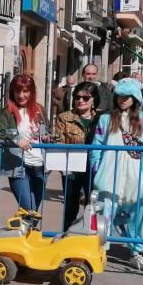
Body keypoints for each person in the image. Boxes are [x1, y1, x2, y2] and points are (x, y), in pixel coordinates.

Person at [91, 78, 143, 272]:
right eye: (120, 95)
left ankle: (136, 250)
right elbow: (97, 145)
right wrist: (97, 167)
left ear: (135, 97)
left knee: (138, 210)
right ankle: (101, 248)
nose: (123, 99)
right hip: (109, 171)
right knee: (105, 209)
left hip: (135, 172)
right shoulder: (105, 119)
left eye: (127, 96)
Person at [0, 74, 49, 212]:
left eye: (25, 91)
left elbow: (46, 129)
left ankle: (26, 233)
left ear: (32, 92)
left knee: (34, 211)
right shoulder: (8, 112)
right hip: (18, 167)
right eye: (18, 91)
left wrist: (47, 135)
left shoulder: (40, 109)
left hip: (40, 166)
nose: (21, 95)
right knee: (28, 209)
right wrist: (17, 140)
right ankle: (25, 231)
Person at [53, 81, 103, 230]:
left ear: (94, 99)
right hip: (72, 167)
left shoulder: (102, 118)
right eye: (77, 97)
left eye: (85, 98)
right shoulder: (64, 117)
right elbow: (59, 141)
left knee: (92, 206)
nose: (80, 100)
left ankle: (90, 238)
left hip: (94, 167)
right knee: (70, 207)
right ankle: (66, 236)